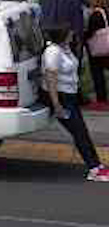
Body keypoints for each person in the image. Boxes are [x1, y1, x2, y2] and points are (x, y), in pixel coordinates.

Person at [42, 28, 109, 181]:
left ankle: (97, 165)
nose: (73, 35)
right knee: (79, 133)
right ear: (62, 35)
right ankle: (93, 169)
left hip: (70, 96)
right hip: (61, 97)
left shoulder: (64, 49)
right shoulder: (53, 52)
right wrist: (56, 105)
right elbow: (50, 79)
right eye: (70, 33)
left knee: (82, 132)